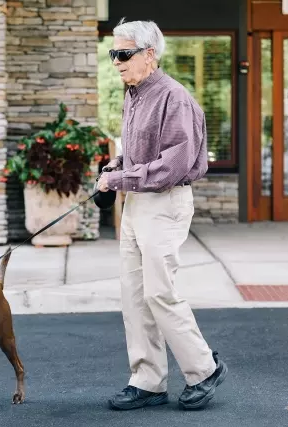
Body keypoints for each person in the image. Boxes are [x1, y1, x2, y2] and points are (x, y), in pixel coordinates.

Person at [97, 18, 228, 411]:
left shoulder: (175, 97)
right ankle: (148, 381)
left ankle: (203, 370)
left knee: (160, 292)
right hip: (137, 204)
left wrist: (121, 177)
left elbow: (173, 164)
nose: (116, 62)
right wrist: (113, 168)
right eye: (113, 54)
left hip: (165, 201)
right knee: (134, 296)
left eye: (123, 54)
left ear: (149, 55)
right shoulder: (133, 93)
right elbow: (137, 154)